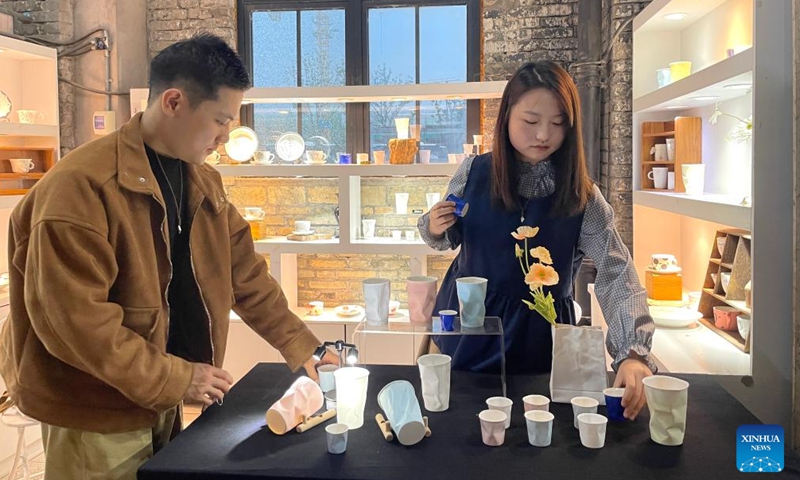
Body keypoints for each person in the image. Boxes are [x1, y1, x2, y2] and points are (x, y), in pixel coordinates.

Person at [0, 34, 331, 479]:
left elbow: (245, 276)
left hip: (158, 394)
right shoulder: (80, 188)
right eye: (219, 120)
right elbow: (76, 326)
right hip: (94, 408)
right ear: (174, 101)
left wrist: (304, 346)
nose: (224, 136)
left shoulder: (203, 181)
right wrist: (178, 379)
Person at [418, 61, 655, 421]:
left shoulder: (582, 195)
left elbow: (615, 271)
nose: (543, 134)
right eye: (531, 121)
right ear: (507, 115)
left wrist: (633, 353)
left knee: (535, 442)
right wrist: (435, 226)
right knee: (454, 431)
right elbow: (447, 233)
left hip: (539, 339)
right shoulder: (474, 171)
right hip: (467, 327)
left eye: (558, 123)